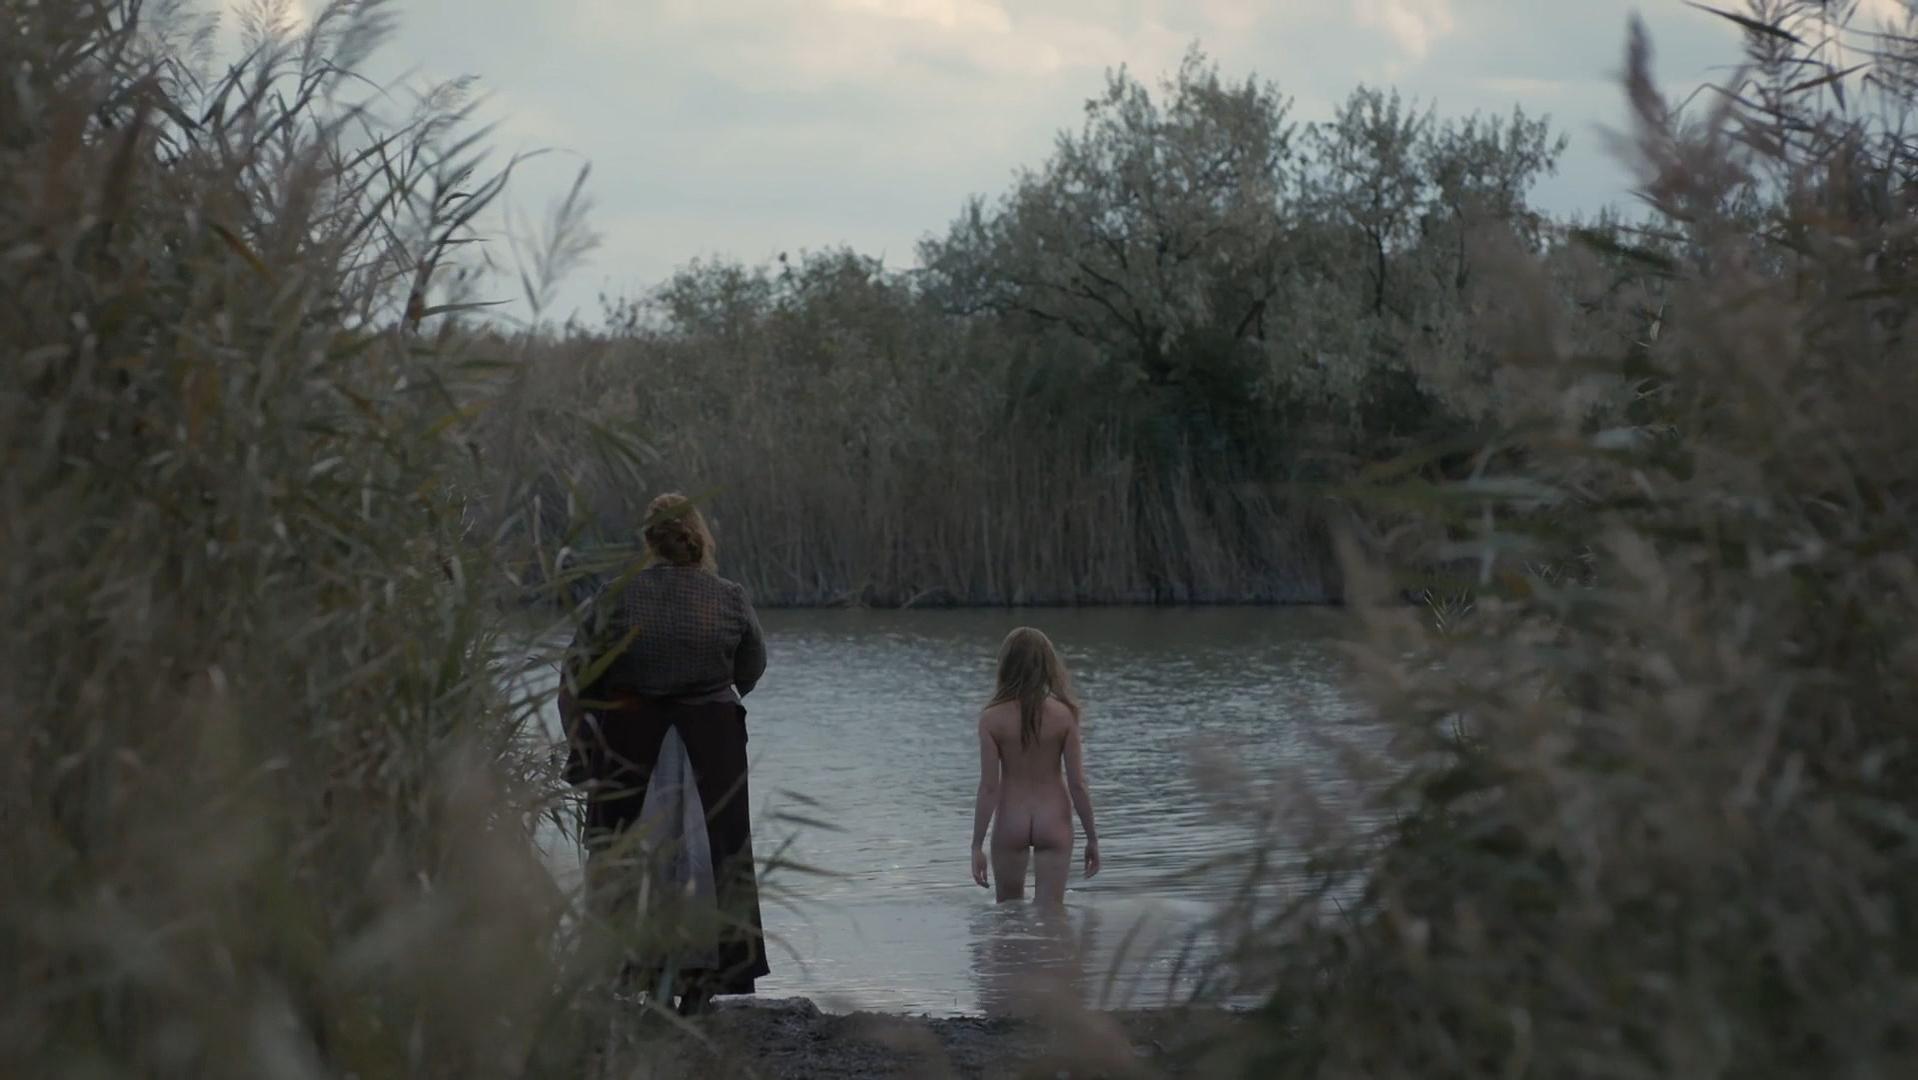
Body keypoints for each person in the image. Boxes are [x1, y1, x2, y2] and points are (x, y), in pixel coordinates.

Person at [561, 493, 769, 1016]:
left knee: (633, 860)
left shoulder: (616, 596)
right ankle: (699, 985)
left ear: (649, 539)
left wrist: (582, 745)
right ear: (698, 535)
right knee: (709, 861)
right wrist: (708, 689)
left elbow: (576, 674)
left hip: (632, 745)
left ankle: (643, 975)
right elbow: (751, 668)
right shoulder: (729, 596)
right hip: (711, 749)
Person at [969, 627, 1100, 906]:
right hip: (1053, 818)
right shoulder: (1065, 715)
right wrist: (1092, 838)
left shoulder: (992, 718)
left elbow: (989, 787)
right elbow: (1078, 784)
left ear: (1005, 665)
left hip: (1011, 820)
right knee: (1051, 915)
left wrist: (976, 845)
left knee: (1008, 915)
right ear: (1048, 666)